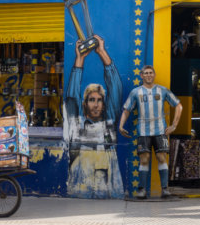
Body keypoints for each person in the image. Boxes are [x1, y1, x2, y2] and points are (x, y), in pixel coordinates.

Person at [63, 35, 123, 198]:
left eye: (99, 100)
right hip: (80, 190)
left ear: (104, 104)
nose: (96, 104)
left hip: (108, 190)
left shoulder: (109, 120)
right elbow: (72, 96)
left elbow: (115, 86)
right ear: (85, 104)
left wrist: (102, 52)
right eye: (91, 100)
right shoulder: (76, 122)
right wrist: (79, 59)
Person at [118, 65, 182, 199]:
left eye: (151, 73)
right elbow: (127, 109)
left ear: (154, 75)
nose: (148, 75)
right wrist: (121, 125)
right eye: (146, 73)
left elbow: (178, 105)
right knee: (144, 159)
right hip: (143, 132)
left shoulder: (162, 90)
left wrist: (174, 125)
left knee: (161, 158)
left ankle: (165, 189)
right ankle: (142, 190)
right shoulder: (136, 92)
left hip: (160, 131)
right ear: (141, 75)